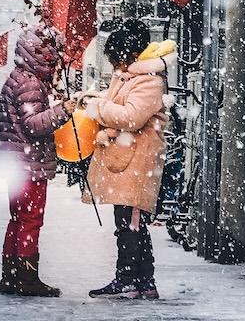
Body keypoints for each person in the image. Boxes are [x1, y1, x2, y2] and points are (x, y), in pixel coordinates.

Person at [82, 19, 173, 300]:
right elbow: (118, 106)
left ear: (129, 54)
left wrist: (99, 107)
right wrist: (93, 99)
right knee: (130, 222)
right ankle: (144, 282)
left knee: (130, 223)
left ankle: (128, 278)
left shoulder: (147, 81)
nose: (113, 65)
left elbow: (131, 117)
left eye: (115, 58)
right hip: (128, 161)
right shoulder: (130, 77)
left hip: (138, 162)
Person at [0, 25, 75, 297]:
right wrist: (64, 110)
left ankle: (11, 276)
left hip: (16, 164)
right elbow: (33, 124)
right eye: (51, 54)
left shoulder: (16, 78)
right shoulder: (29, 83)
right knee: (30, 220)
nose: (54, 60)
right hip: (28, 164)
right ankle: (27, 279)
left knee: (17, 219)